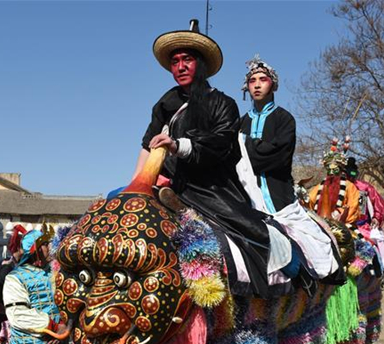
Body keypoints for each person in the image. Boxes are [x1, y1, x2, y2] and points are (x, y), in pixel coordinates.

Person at [135, 19, 274, 297]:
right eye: (175, 61)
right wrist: (137, 186)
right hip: (169, 184)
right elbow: (148, 145)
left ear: (201, 64)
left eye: (187, 59)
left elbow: (221, 144)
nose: (181, 67)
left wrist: (178, 146)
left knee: (260, 236)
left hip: (211, 188)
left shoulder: (223, 104)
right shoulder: (165, 104)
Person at [238, 54, 296, 211]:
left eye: (263, 80)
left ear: (273, 85)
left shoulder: (285, 119)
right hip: (244, 198)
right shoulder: (240, 123)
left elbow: (278, 157)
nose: (257, 85)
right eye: (252, 80)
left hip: (279, 199)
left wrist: (244, 142)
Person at [308, 138, 361, 226]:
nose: (332, 172)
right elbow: (310, 202)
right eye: (329, 170)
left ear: (340, 170)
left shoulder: (349, 186)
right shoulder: (319, 186)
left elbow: (353, 206)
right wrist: (302, 198)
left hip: (342, 224)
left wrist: (340, 213)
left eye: (335, 169)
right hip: (319, 223)